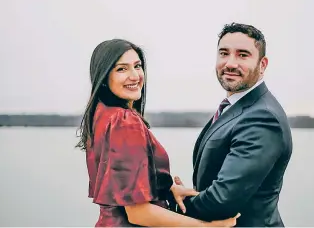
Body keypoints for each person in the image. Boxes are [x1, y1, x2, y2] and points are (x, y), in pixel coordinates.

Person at [75, 38, 240, 227]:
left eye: (137, 66)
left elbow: (120, 182)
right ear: (103, 77)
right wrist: (206, 227)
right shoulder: (125, 123)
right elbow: (138, 213)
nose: (135, 76)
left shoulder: (101, 113)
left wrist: (168, 189)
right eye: (122, 69)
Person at [174, 23, 293, 227]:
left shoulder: (263, 117)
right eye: (224, 53)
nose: (230, 63)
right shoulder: (237, 107)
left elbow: (223, 200)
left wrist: (178, 205)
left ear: (262, 65)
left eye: (242, 55)